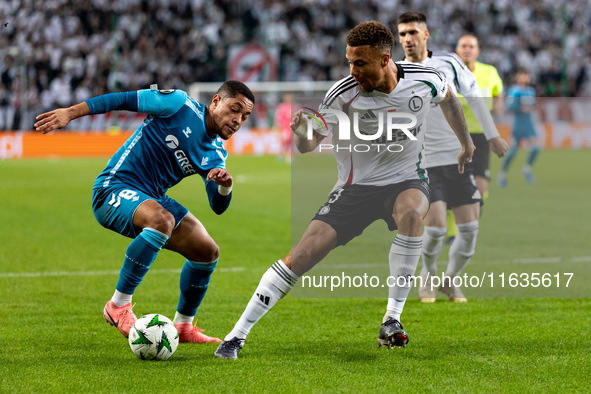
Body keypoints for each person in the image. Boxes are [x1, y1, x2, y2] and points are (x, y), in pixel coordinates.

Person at [214, 21, 475, 359]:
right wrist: (303, 131)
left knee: (411, 212)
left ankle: (392, 319)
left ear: (384, 60)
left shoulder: (425, 79)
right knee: (303, 254)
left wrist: (466, 143)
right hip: (354, 189)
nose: (352, 71)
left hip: (407, 180)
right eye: (349, 62)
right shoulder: (342, 94)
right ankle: (235, 336)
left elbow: (449, 99)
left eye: (360, 63)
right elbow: (310, 145)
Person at [35, 81, 255, 343]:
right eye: (235, 109)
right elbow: (121, 99)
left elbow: (218, 207)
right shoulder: (178, 103)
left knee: (207, 252)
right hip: (113, 188)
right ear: (216, 101)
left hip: (151, 197)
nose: (238, 120)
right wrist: (70, 113)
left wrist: (224, 187)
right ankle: (118, 305)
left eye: (245, 116)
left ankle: (183, 326)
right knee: (162, 220)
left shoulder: (216, 153)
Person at [397, 12, 508, 303]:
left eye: (412, 33)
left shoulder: (448, 62)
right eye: (403, 34)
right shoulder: (396, 72)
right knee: (435, 231)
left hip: (458, 158)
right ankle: (429, 274)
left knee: (470, 230)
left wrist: (492, 134)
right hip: (424, 163)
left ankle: (451, 280)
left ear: (425, 34)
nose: (407, 39)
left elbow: (473, 96)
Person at [497, 70, 540, 187]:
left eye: (527, 76)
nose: (525, 78)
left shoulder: (531, 91)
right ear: (518, 77)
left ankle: (527, 169)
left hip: (528, 124)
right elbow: (510, 106)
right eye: (522, 76)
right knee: (513, 153)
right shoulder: (514, 91)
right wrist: (521, 108)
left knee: (536, 148)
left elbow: (533, 106)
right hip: (518, 125)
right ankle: (502, 174)